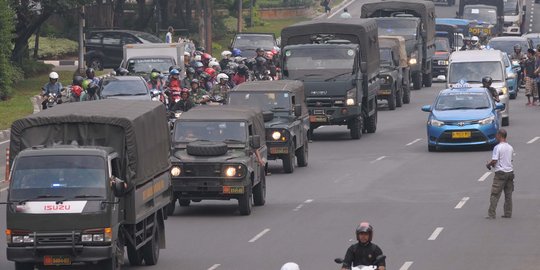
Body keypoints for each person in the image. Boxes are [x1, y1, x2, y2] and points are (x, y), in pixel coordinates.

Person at [485, 128, 514, 219]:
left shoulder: (497, 147)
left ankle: (491, 214)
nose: (496, 137)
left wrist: (488, 165)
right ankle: (508, 213)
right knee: (508, 195)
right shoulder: (510, 147)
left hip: (500, 173)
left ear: (500, 135)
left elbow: (494, 160)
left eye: (497, 135)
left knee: (495, 194)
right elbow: (510, 160)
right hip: (510, 173)